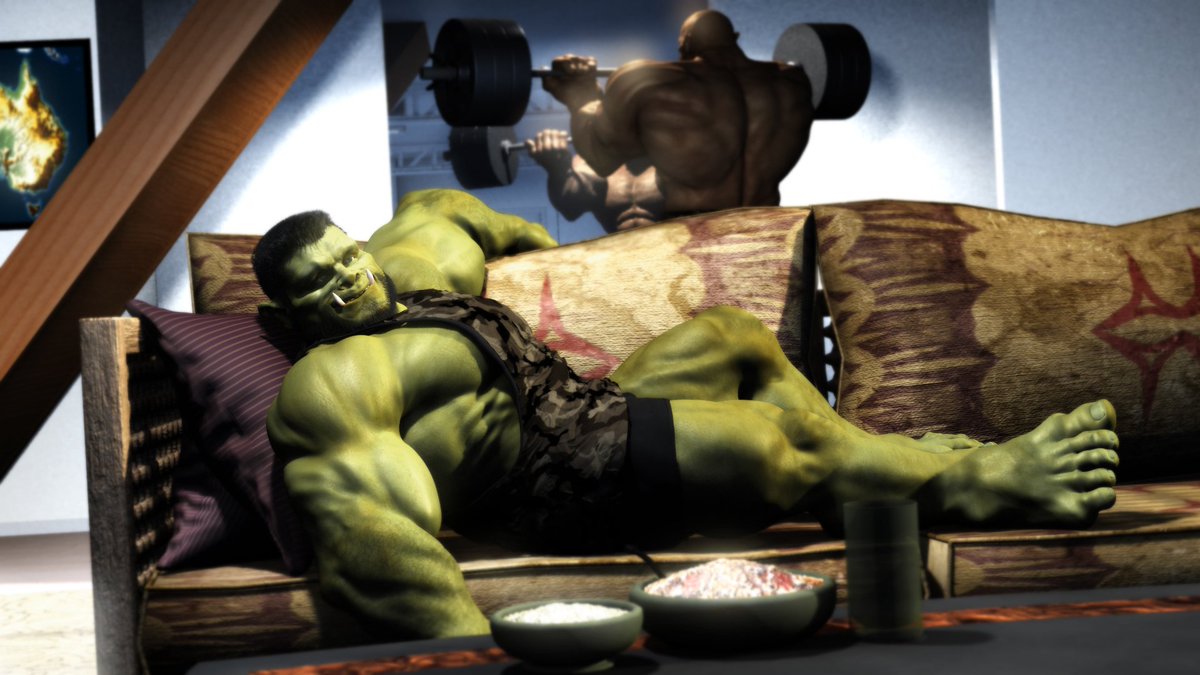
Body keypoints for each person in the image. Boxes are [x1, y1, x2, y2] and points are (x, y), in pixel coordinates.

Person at [254, 188, 1120, 639]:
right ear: (290, 317)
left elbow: (457, 212)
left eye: (346, 260)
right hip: (545, 485)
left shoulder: (412, 260)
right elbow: (367, 544)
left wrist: (547, 247)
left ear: (360, 244)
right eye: (320, 288)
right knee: (773, 438)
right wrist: (478, 648)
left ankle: (854, 481)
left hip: (580, 406)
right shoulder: (336, 380)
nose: (348, 284)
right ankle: (971, 481)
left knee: (734, 336)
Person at [542, 9, 814, 217]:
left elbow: (601, 159)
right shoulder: (795, 84)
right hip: (767, 229)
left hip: (696, 233)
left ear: (686, 44)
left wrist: (582, 95)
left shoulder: (645, 80)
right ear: (735, 39)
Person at [526, 129, 665, 233]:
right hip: (620, 254)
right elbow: (570, 208)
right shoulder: (590, 164)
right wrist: (557, 168)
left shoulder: (671, 160)